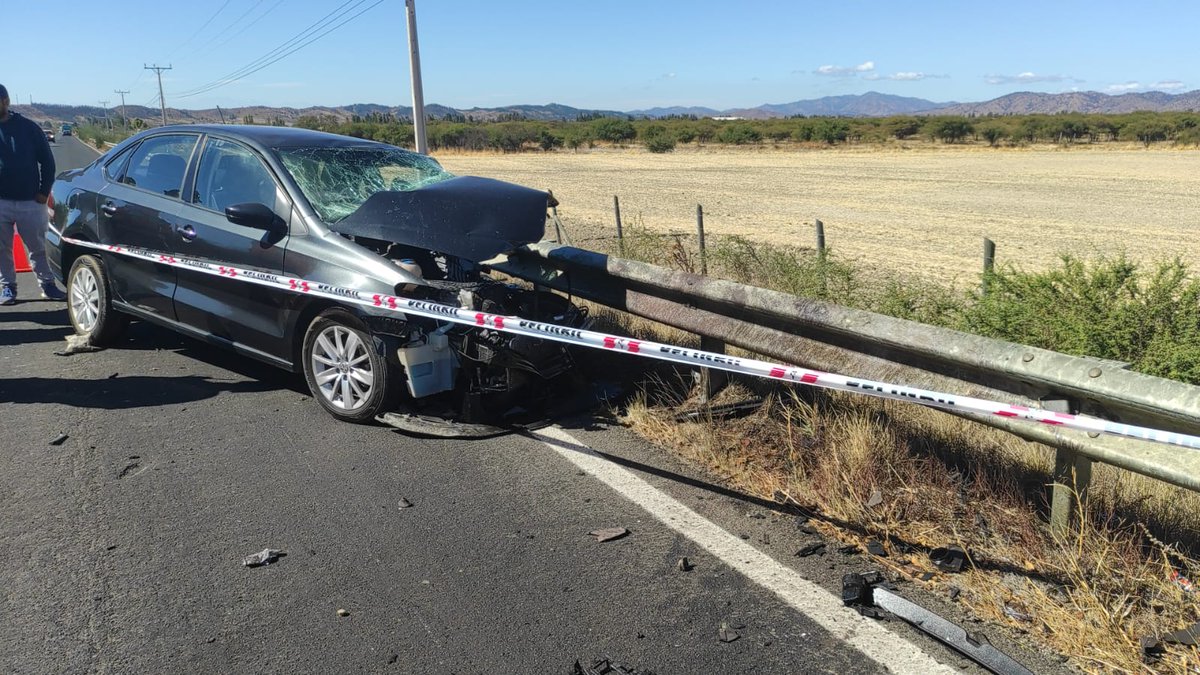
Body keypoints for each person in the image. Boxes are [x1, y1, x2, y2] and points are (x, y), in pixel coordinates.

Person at [0, 83, 65, 304]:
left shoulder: (28, 128)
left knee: (38, 246)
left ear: (5, 102)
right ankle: (7, 287)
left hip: (30, 200)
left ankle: (47, 285)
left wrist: (43, 192)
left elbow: (47, 162)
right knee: (2, 248)